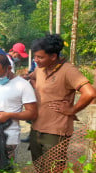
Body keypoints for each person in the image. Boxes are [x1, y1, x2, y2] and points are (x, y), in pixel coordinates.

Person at [29, 34, 96, 163]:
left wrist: (73, 110)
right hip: (36, 128)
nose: (36, 60)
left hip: (55, 132)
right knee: (39, 170)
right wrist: (37, 90)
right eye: (35, 56)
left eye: (40, 57)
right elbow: (31, 78)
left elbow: (90, 93)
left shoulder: (68, 71)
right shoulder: (40, 69)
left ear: (53, 56)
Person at [0, 54, 37, 160]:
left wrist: (9, 115)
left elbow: (32, 113)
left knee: (6, 171)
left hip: (9, 137)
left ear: (9, 68)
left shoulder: (22, 85)